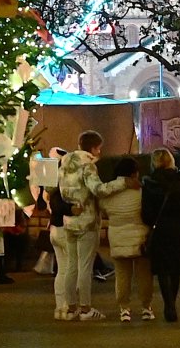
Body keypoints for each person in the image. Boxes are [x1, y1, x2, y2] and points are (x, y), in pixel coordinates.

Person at [48, 130, 137, 321]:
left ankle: (71, 308)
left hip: (69, 221)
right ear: (94, 148)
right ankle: (86, 308)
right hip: (87, 222)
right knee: (85, 267)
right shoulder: (88, 167)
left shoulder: (64, 164)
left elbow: (57, 190)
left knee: (71, 265)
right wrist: (122, 183)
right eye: (99, 148)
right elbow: (99, 190)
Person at [142, 148, 180, 322]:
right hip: (179, 226)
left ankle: (168, 304)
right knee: (176, 268)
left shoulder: (150, 183)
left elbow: (146, 213)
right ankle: (172, 303)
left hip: (160, 228)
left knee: (163, 268)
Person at [102, 156, 154, 321]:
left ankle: (124, 309)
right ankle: (146, 307)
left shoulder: (108, 192)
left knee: (122, 275)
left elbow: (103, 208)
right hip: (140, 237)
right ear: (134, 173)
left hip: (117, 237)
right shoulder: (140, 191)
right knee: (144, 275)